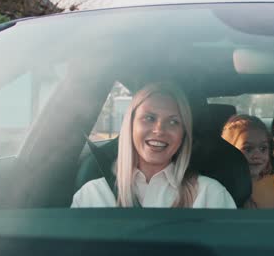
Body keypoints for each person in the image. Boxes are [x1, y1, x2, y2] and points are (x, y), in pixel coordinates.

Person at [72, 82, 236, 208]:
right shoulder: (91, 196)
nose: (159, 130)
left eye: (173, 122)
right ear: (130, 126)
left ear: (183, 134)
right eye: (149, 118)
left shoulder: (211, 195)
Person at [221, 114, 274, 209]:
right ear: (230, 151)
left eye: (263, 148)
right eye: (248, 149)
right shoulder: (221, 188)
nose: (257, 155)